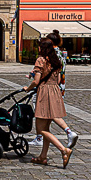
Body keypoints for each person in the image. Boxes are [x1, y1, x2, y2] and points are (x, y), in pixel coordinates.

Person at [24, 36, 74, 168]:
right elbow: (58, 81)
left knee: (40, 130)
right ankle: (43, 157)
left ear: (42, 48)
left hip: (45, 94)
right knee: (46, 128)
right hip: (55, 92)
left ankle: (64, 150)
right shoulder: (55, 60)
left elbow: (36, 81)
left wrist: (27, 88)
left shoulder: (41, 60)